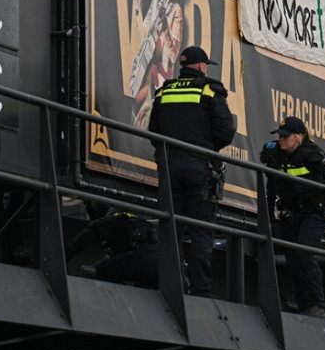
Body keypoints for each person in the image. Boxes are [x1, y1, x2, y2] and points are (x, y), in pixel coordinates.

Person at [148, 45, 236, 297]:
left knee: (170, 227)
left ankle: (170, 284)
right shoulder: (209, 90)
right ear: (200, 66)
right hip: (200, 168)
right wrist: (206, 147)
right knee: (201, 229)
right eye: (205, 65)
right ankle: (200, 290)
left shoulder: (164, 91)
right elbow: (225, 132)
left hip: (170, 167)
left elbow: (154, 132)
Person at [260, 116, 325, 318]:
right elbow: (271, 186)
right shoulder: (274, 154)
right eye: (280, 135)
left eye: (286, 136)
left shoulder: (313, 153)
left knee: (304, 254)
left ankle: (316, 305)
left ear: (299, 136)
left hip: (314, 213)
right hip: (291, 215)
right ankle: (304, 305)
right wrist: (269, 214)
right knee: (293, 259)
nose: (281, 139)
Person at [65, 210, 159, 287]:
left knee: (94, 272)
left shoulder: (115, 219)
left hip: (141, 257)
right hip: (160, 266)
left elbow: (92, 232)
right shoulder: (142, 225)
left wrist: (66, 255)